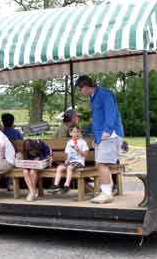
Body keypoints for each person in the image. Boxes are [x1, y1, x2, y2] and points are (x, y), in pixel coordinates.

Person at [75, 75, 124, 204]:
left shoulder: (104, 94)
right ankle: (107, 190)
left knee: (102, 164)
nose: (80, 92)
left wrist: (107, 131)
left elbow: (111, 112)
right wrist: (95, 137)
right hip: (100, 136)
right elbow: (97, 119)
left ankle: (106, 194)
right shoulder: (93, 97)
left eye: (80, 89)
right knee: (100, 164)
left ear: (85, 86)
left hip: (109, 134)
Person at [49, 126, 89, 194]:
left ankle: (66, 186)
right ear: (70, 133)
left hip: (79, 162)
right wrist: (66, 160)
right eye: (74, 132)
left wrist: (78, 150)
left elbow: (85, 155)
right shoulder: (69, 142)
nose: (76, 133)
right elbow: (67, 153)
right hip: (70, 162)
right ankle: (56, 185)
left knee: (69, 168)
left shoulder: (82, 142)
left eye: (78, 132)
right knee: (59, 168)